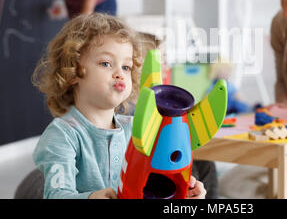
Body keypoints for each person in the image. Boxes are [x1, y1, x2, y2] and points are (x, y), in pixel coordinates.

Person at [31, 13, 206, 199]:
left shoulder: (136, 128)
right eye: (106, 63)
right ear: (73, 71)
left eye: (126, 67)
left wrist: (182, 192)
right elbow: (56, 195)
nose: (119, 74)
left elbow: (153, 182)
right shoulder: (62, 134)